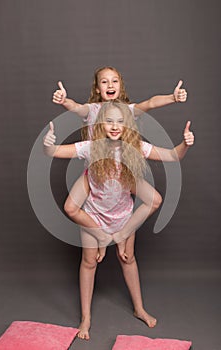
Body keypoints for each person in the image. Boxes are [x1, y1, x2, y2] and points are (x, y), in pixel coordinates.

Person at [43, 100, 194, 340]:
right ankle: (86, 318)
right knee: (89, 262)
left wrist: (184, 144)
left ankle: (139, 308)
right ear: (101, 124)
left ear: (128, 124)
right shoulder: (92, 147)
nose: (114, 126)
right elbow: (56, 152)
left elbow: (173, 156)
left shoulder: (135, 146)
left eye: (120, 121)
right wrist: (48, 144)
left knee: (128, 258)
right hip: (94, 215)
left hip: (122, 216)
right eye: (109, 121)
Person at [51, 66, 188, 261]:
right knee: (73, 207)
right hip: (98, 172)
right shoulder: (92, 110)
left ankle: (119, 235)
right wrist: (64, 101)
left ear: (120, 85)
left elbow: (149, 103)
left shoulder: (128, 110)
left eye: (114, 81)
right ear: (97, 88)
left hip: (122, 172)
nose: (110, 85)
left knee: (152, 201)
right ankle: (101, 237)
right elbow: (76, 107)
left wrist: (171, 98)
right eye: (104, 81)